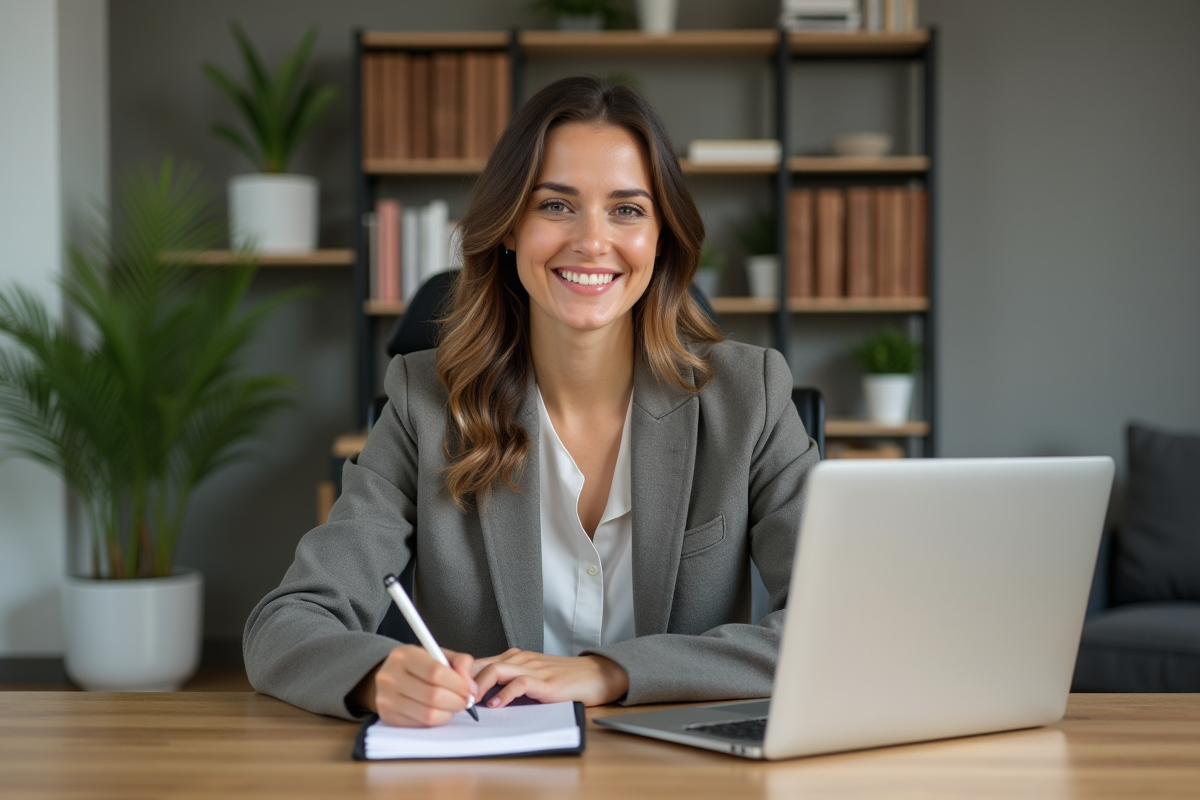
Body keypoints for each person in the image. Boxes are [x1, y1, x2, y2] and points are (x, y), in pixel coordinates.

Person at [243, 76, 818, 727]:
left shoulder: (750, 396)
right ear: (510, 227)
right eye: (556, 206)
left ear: (661, 240)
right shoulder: (424, 403)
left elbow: (836, 624)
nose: (591, 241)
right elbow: (281, 627)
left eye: (627, 210)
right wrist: (377, 675)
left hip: (679, 770)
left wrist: (611, 670)